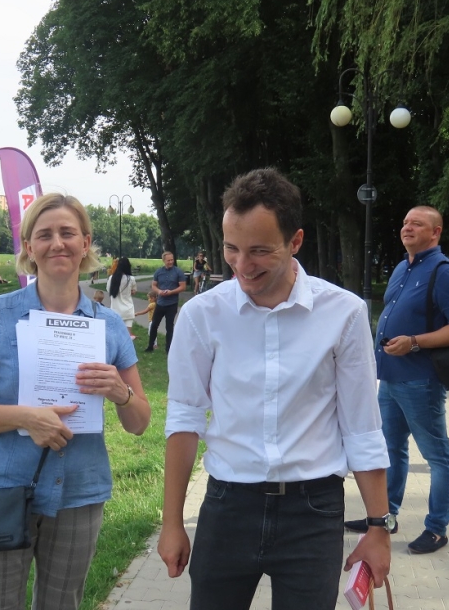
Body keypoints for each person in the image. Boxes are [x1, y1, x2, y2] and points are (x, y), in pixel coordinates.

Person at [158, 169, 390, 609]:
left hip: (313, 512)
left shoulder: (343, 313)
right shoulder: (202, 315)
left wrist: (378, 527)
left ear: (295, 241)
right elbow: (184, 419)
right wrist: (172, 522)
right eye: (232, 248)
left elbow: (361, 427)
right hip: (228, 507)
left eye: (260, 251)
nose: (243, 266)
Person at [0, 193, 151, 610]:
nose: (58, 243)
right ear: (29, 247)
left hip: (79, 492)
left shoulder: (109, 325)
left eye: (68, 233)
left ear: (85, 243)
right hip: (2, 489)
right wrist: (27, 418)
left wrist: (121, 392)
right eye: (45, 235)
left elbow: (139, 422)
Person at [345, 206, 449, 554]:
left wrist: (415, 342)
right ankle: (385, 517)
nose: (407, 228)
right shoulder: (403, 267)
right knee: (390, 450)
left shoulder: (445, 272)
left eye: (417, 224)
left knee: (437, 456)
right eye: (405, 222)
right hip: (391, 378)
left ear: (435, 232)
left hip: (421, 380)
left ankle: (436, 529)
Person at [145, 252, 187, 354]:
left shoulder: (178, 272)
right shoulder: (159, 272)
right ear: (163, 260)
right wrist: (159, 291)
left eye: (172, 260)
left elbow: (183, 287)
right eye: (168, 260)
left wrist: (171, 292)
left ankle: (169, 349)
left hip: (172, 303)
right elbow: (154, 285)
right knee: (154, 325)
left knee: (169, 327)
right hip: (160, 303)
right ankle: (150, 346)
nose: (171, 262)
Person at [107, 256, 138, 337]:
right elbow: (134, 291)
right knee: (127, 336)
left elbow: (108, 290)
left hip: (115, 310)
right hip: (128, 309)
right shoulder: (131, 279)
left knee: (116, 335)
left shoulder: (111, 278)